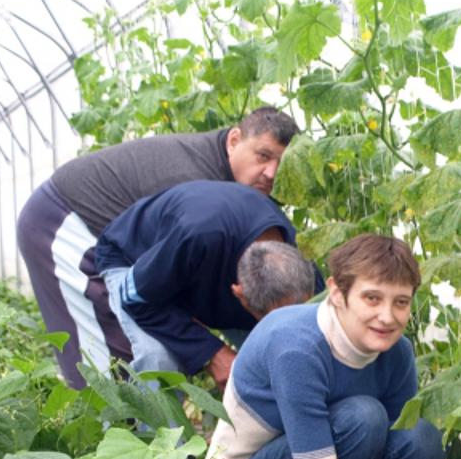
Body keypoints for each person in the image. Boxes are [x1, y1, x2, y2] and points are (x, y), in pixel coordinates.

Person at [206, 233, 455, 459]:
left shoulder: (396, 353)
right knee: (363, 419)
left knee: (421, 440)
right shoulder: (297, 349)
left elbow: (410, 450)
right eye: (372, 298)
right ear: (338, 293)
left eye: (400, 302)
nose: (387, 316)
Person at [16, 106, 298, 387]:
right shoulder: (195, 192)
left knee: (158, 350)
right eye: (263, 156)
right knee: (118, 358)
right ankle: (105, 429)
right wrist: (213, 353)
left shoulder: (231, 199)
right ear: (234, 140)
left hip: (132, 247)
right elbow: (154, 295)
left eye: (281, 163)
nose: (271, 173)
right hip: (66, 219)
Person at [96, 179, 305, 386]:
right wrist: (213, 354)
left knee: (288, 357)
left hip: (194, 267)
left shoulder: (298, 262)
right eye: (268, 317)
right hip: (136, 266)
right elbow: (134, 297)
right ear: (239, 294)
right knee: (159, 362)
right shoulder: (197, 236)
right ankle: (157, 421)